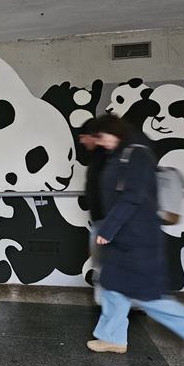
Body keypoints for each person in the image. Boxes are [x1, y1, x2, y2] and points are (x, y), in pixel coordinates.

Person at [86, 114, 184, 361]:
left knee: (147, 297)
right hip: (123, 238)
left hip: (138, 239)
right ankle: (112, 338)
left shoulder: (137, 155)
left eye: (102, 137)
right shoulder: (120, 154)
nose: (100, 142)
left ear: (114, 132)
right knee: (112, 288)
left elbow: (132, 197)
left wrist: (107, 229)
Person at [77, 118, 106, 304]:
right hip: (101, 221)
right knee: (102, 265)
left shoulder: (107, 158)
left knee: (104, 265)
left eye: (83, 136)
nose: (81, 141)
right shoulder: (98, 157)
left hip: (106, 222)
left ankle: (106, 301)